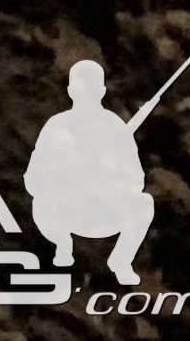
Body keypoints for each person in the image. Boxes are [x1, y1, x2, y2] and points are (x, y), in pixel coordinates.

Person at [27, 59, 160, 285]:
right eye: (80, 89)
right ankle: (62, 244)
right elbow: (33, 178)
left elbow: (136, 179)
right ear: (70, 91)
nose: (85, 95)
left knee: (144, 204)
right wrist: (64, 180)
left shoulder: (115, 128)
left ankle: (121, 260)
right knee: (42, 203)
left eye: (90, 89)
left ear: (101, 91)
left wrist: (109, 175)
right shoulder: (56, 126)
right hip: (66, 211)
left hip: (102, 211)